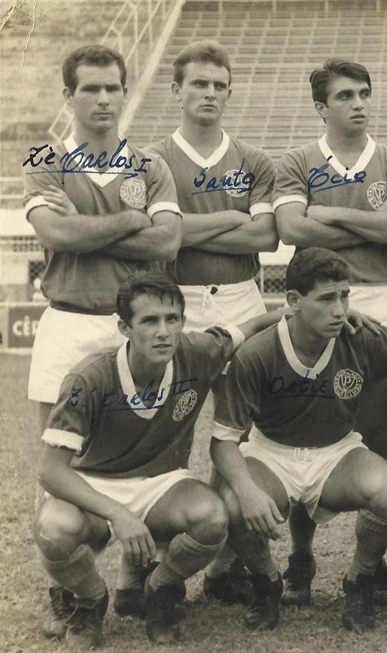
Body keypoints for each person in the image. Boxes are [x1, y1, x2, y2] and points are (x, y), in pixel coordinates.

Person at [23, 44, 182, 638]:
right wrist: (129, 221)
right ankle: (69, 591)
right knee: (62, 462)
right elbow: (53, 230)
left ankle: (135, 579)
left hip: (132, 331)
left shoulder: (149, 164)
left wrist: (85, 234)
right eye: (89, 89)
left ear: (123, 91)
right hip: (66, 321)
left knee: (142, 452)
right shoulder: (44, 155)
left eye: (112, 88)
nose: (103, 99)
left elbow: (167, 246)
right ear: (69, 97)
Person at [33, 273, 283, 648]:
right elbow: (51, 471)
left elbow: (253, 324)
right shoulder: (89, 377)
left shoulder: (198, 351)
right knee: (53, 527)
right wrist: (119, 514)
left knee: (212, 516)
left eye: (172, 319)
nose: (163, 332)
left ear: (183, 322)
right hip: (97, 486)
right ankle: (90, 600)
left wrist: (309, 314)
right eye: (149, 321)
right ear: (125, 327)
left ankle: (161, 589)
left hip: (161, 485)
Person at [130, 39, 280, 612]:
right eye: (199, 83)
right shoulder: (149, 160)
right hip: (180, 300)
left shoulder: (255, 160)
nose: (210, 93)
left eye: (220, 85)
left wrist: (189, 227)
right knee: (174, 429)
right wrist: (226, 219)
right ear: (176, 90)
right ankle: (151, 556)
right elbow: (160, 238)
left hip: (243, 298)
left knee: (242, 429)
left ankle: (225, 562)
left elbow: (265, 237)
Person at [273, 59, 387, 606]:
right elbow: (290, 228)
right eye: (344, 96)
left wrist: (329, 214)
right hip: (314, 307)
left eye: (363, 94)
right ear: (321, 107)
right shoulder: (297, 160)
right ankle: (301, 556)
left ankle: (370, 567)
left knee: (375, 435)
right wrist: (362, 225)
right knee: (303, 433)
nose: (358, 103)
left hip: (378, 300)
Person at [209, 247, 387, 632]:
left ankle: (359, 581)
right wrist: (247, 489)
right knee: (233, 502)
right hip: (272, 452)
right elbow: (223, 440)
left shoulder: (359, 335)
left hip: (336, 452)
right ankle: (266, 581)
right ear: (293, 302)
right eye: (326, 299)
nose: (340, 310)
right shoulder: (257, 352)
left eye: (344, 296)